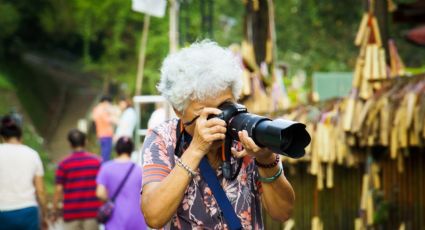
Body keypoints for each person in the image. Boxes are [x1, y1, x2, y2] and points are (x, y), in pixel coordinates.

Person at [140, 41, 295, 229]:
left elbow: (283, 212)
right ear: (178, 109)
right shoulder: (163, 138)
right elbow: (153, 217)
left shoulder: (247, 132)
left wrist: (265, 159)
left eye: (225, 106)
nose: (220, 118)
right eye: (206, 111)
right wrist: (195, 149)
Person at [0, 116, 48, 230]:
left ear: (2, 137)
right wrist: (44, 215)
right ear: (21, 137)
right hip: (28, 211)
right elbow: (40, 191)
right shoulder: (32, 155)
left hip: (2, 211)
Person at [52, 129, 102, 230]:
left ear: (70, 144)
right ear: (85, 142)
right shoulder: (97, 162)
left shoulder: (63, 164)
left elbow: (58, 190)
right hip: (91, 214)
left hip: (71, 213)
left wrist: (55, 209)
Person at [96, 137, 147, 230]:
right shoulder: (140, 170)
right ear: (131, 150)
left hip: (114, 220)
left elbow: (100, 193)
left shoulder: (106, 168)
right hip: (137, 220)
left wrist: (110, 200)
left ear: (116, 150)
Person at [92, 95, 117, 162]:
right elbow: (109, 120)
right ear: (105, 102)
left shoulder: (96, 109)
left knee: (104, 154)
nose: (109, 105)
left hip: (100, 134)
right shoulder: (102, 110)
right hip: (106, 135)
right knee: (106, 156)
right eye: (109, 103)